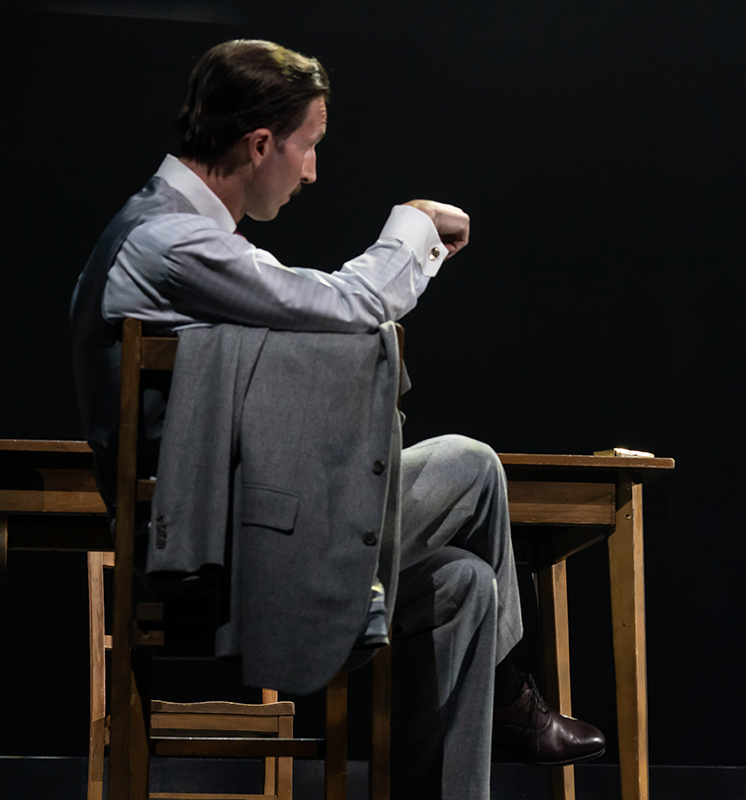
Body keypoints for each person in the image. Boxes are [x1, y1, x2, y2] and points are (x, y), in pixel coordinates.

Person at [69, 39, 603, 799]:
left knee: (464, 584)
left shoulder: (184, 236)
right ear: (260, 144)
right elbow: (346, 307)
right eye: (309, 147)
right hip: (210, 552)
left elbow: (308, 304)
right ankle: (515, 697)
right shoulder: (169, 244)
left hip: (239, 525)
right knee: (472, 466)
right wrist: (412, 224)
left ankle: (501, 705)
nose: (313, 171)